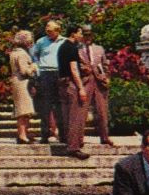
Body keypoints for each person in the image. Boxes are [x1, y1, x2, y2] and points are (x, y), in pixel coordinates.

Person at [55, 24, 89, 159]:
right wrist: (81, 88)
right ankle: (74, 147)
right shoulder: (71, 48)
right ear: (73, 34)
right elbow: (74, 69)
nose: (81, 36)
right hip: (70, 83)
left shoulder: (62, 47)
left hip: (62, 83)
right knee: (75, 115)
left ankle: (68, 141)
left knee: (66, 115)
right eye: (80, 33)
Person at [32, 20, 65, 143]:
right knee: (45, 105)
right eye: (47, 31)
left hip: (59, 73)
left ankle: (62, 134)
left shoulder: (64, 41)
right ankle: (45, 134)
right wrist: (37, 67)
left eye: (51, 31)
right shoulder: (41, 41)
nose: (48, 33)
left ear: (58, 30)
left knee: (60, 105)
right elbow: (34, 55)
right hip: (45, 73)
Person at [79, 25, 112, 145]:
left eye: (90, 34)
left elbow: (105, 65)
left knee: (102, 111)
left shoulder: (99, 49)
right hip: (85, 81)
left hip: (99, 82)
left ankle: (105, 136)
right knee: (82, 111)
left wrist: (107, 78)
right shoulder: (77, 49)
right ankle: (79, 138)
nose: (88, 37)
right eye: (85, 35)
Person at [8, 30, 39, 143]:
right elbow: (24, 71)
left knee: (24, 109)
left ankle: (25, 132)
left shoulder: (14, 52)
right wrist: (34, 67)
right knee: (23, 110)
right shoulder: (21, 54)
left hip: (17, 82)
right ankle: (22, 135)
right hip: (22, 83)